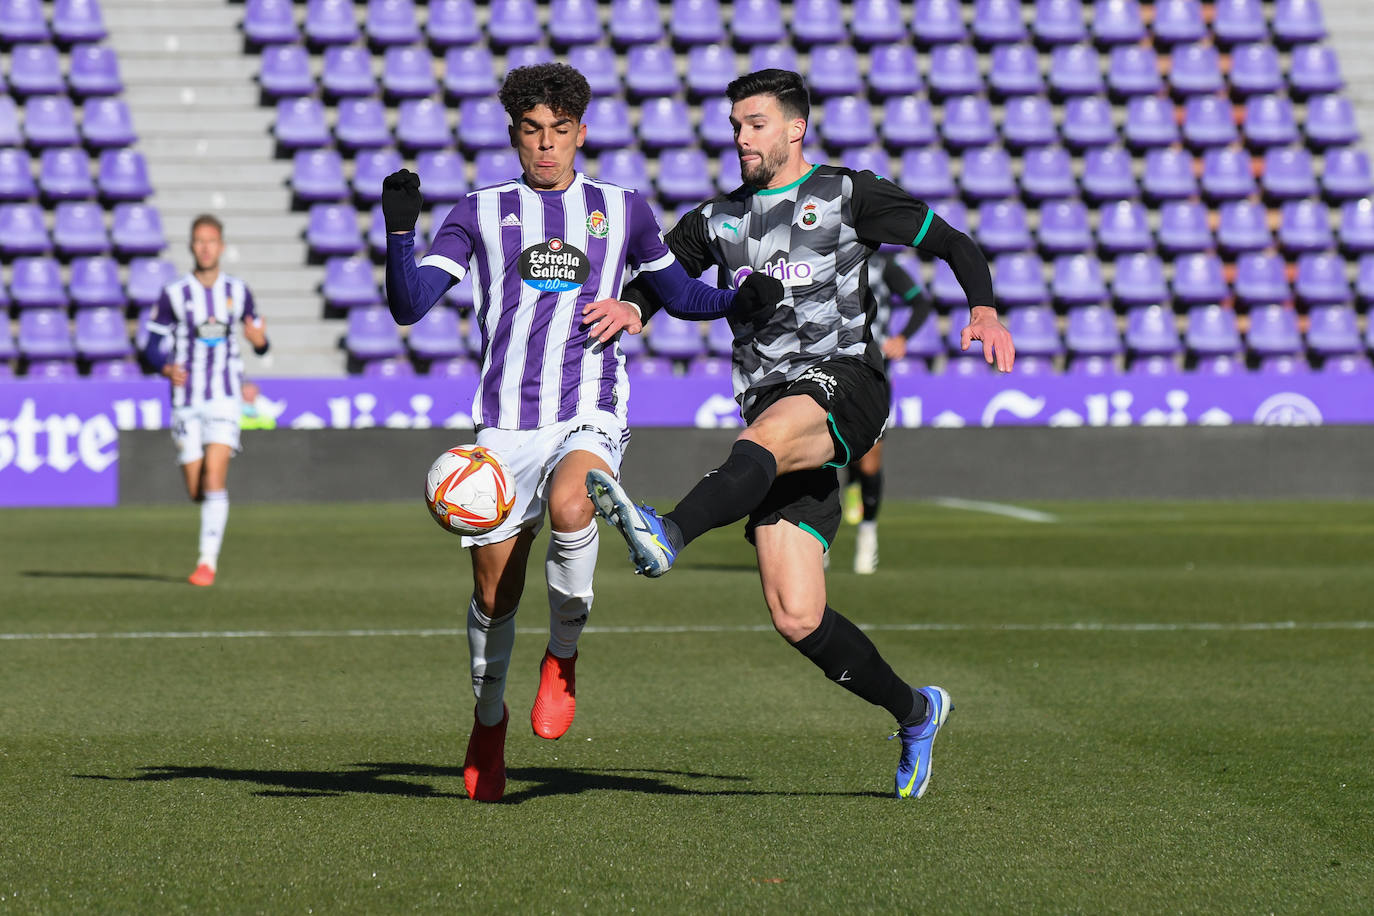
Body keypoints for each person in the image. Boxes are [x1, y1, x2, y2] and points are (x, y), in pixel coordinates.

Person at [586, 69, 1015, 799]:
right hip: (772, 409)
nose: (740, 137)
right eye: (734, 125)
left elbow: (953, 242)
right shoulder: (716, 219)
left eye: (754, 123)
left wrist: (984, 309)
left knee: (768, 434)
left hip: (844, 382)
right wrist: (632, 308)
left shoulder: (849, 195)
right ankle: (917, 711)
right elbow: (665, 278)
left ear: (794, 128)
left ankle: (669, 534)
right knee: (796, 615)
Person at [381, 63, 780, 802]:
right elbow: (410, 305)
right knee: (494, 593)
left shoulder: (621, 209)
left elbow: (678, 293)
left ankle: (562, 658)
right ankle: (488, 720)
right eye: (533, 131)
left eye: (560, 132)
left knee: (576, 504)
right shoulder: (478, 211)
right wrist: (398, 229)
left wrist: (737, 299)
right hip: (504, 425)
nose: (546, 146)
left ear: (581, 134)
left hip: (588, 400)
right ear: (514, 135)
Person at [141, 214, 269, 587]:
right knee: (196, 487)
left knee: (215, 476)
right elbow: (149, 347)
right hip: (186, 400)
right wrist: (165, 368)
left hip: (224, 398)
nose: (206, 247)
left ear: (221, 246)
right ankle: (208, 521)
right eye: (199, 241)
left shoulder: (239, 291)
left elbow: (261, 343)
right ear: (191, 246)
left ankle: (206, 563)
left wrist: (258, 340)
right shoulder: (174, 294)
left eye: (211, 240)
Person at [844, 250, 934, 574]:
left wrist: (902, 338)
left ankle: (868, 534)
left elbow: (920, 303)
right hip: (827, 366)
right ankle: (817, 543)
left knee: (869, 461)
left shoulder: (882, 266)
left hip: (872, 369)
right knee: (821, 454)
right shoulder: (823, 255)